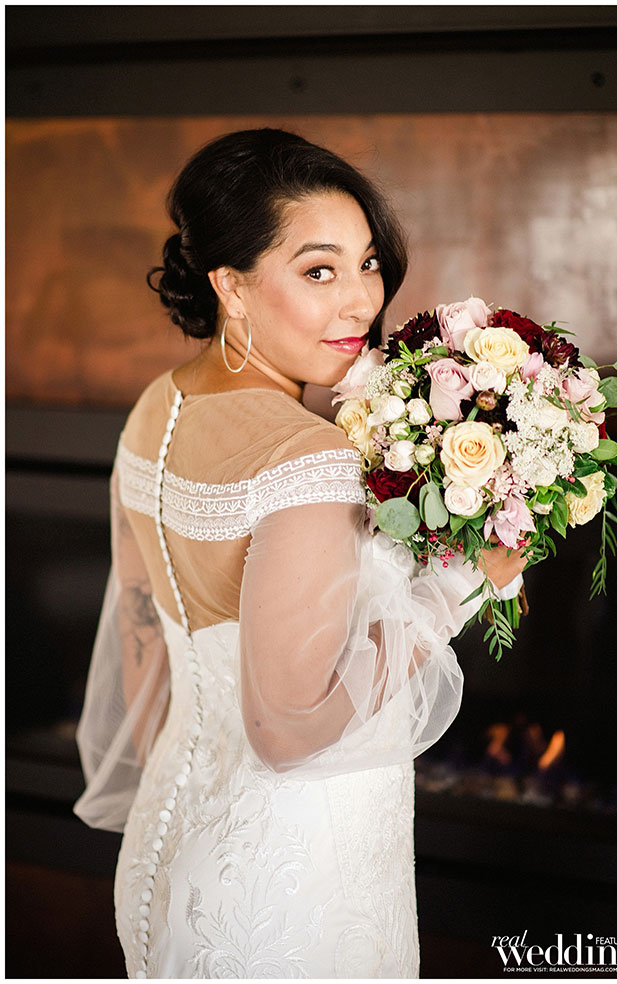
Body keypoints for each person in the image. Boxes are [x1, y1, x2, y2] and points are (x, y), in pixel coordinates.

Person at [74, 128, 525, 979]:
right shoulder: (306, 458)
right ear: (230, 285)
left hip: (167, 853)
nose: (360, 301)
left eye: (368, 264)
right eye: (319, 271)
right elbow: (287, 733)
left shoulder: (155, 409)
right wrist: (460, 585)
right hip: (290, 886)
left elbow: (147, 656)